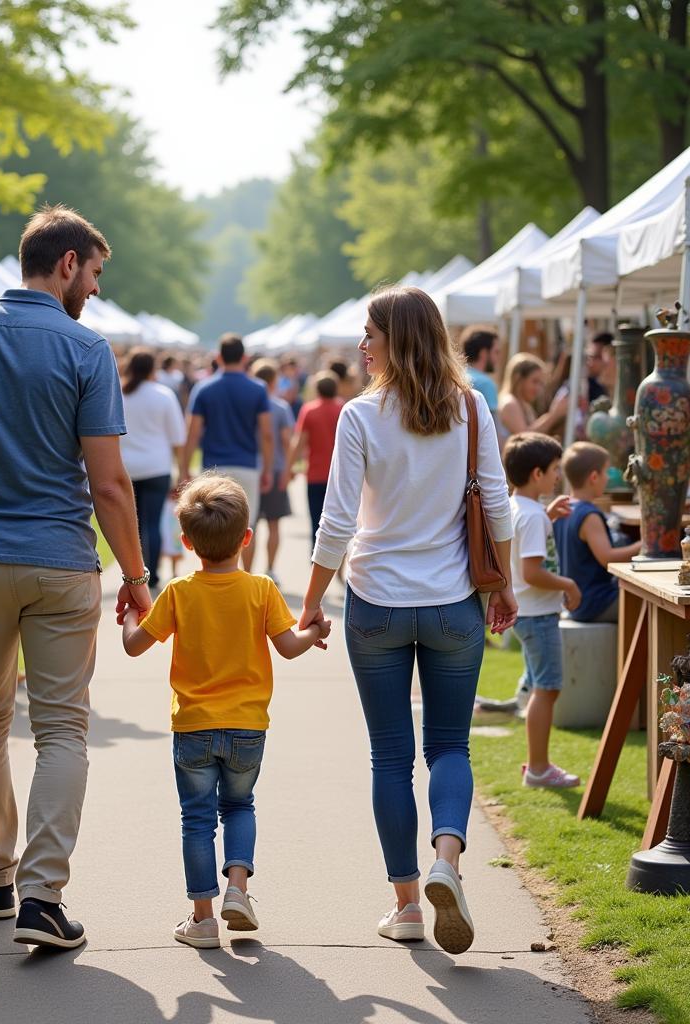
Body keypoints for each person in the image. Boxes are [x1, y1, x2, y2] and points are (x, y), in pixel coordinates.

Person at [0, 204, 150, 950]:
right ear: (67, 263)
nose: (97, 290)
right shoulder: (86, 349)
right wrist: (137, 576)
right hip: (62, 560)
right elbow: (109, 485)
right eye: (96, 273)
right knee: (62, 727)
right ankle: (43, 898)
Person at [297, 286, 517, 955]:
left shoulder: (362, 417)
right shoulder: (472, 409)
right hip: (453, 603)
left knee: (390, 758)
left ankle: (407, 906)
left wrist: (308, 603)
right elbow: (500, 508)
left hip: (376, 606)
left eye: (370, 334)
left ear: (398, 339)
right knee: (450, 745)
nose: (362, 346)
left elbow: (336, 523)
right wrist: (502, 585)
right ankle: (447, 861)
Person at [121, 475, 330, 949]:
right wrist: (314, 630)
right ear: (247, 537)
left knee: (196, 819)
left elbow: (135, 647)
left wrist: (133, 614)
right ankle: (238, 888)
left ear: (187, 542)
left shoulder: (177, 592)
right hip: (247, 727)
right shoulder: (261, 589)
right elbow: (290, 648)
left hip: (193, 726)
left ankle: (203, 918)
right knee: (239, 806)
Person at [503, 432, 581, 790]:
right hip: (538, 614)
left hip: (527, 613)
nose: (557, 477)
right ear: (537, 474)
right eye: (553, 470)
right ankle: (538, 768)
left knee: (539, 686)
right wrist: (567, 584)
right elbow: (533, 572)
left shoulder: (519, 507)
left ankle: (537, 764)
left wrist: (546, 514)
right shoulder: (532, 517)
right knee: (547, 689)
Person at [180, 334, 273, 572]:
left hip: (214, 466)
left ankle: (212, 576)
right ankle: (247, 577)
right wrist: (268, 469)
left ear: (218, 357)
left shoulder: (204, 388)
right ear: (245, 358)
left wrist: (183, 468)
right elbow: (266, 434)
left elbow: (192, 433)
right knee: (247, 524)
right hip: (246, 464)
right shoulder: (258, 389)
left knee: (211, 526)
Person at [118, 348, 186, 589]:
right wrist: (183, 472)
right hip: (156, 467)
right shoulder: (163, 395)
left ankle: (133, 573)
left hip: (126, 468)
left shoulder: (118, 393)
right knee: (152, 524)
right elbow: (178, 438)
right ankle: (152, 574)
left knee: (131, 526)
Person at [555, 442, 640, 623]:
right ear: (594, 477)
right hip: (595, 603)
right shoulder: (589, 516)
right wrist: (644, 545)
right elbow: (607, 558)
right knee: (650, 602)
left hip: (577, 602)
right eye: (606, 472)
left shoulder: (562, 508)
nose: (608, 478)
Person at [286, 371, 343, 547]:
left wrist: (289, 468)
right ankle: (339, 564)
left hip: (316, 474)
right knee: (339, 523)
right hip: (340, 475)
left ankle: (315, 562)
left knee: (316, 522)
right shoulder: (343, 408)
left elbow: (299, 442)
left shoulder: (309, 410)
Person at [250, 359, 294, 584]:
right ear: (273, 380)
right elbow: (287, 440)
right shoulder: (280, 407)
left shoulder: (249, 405)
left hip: (251, 469)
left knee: (250, 525)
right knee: (274, 524)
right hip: (275, 469)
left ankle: (247, 572)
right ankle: (270, 568)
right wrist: (288, 468)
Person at [497, 352, 568, 447]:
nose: (538, 388)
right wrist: (554, 415)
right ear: (518, 379)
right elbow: (525, 439)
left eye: (541, 383)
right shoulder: (509, 403)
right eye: (535, 381)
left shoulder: (525, 405)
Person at [460, 327, 500, 413]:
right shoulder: (486, 383)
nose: (498, 358)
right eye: (496, 352)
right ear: (484, 353)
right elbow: (493, 423)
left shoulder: (456, 377)